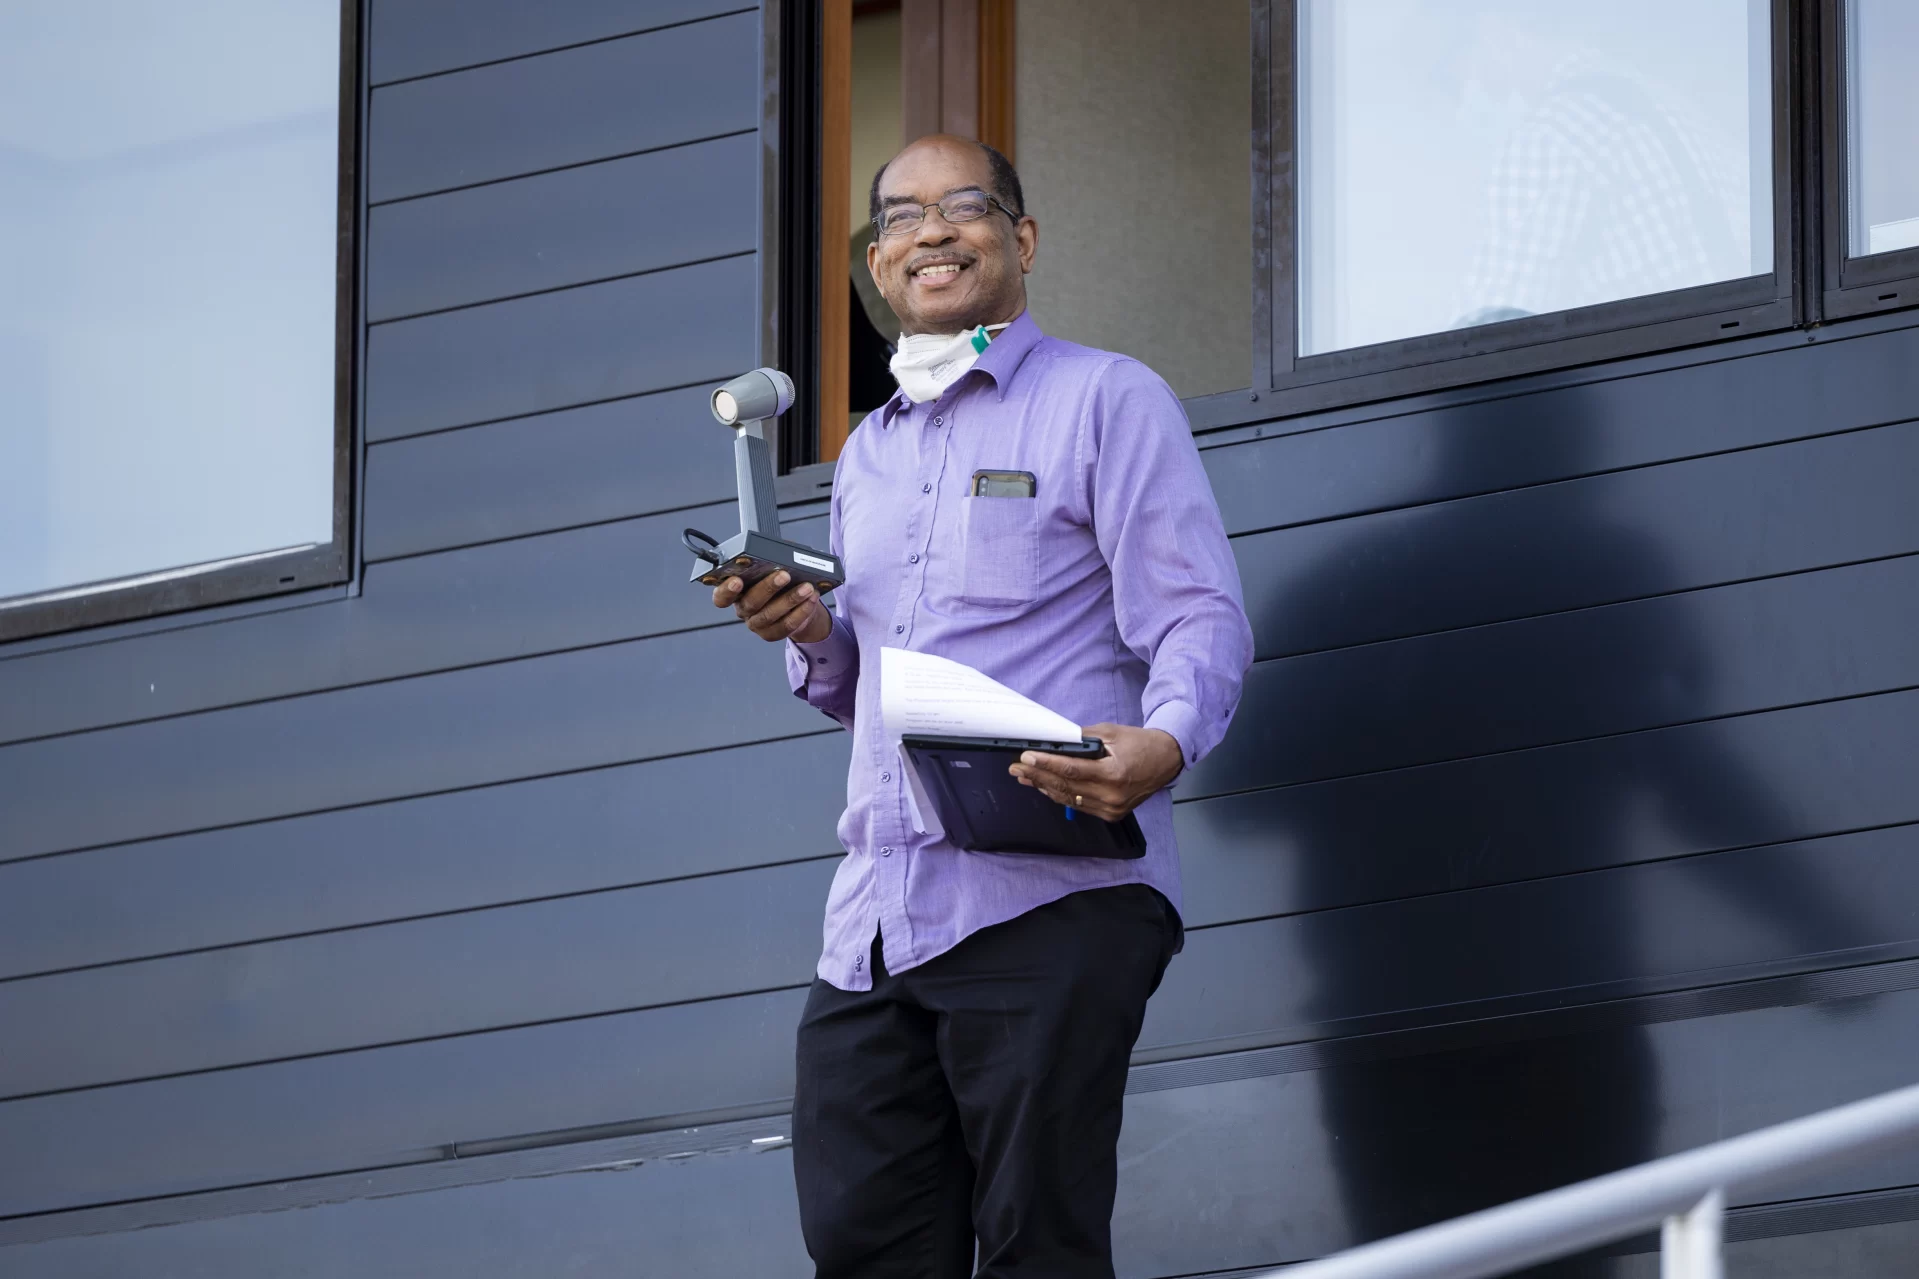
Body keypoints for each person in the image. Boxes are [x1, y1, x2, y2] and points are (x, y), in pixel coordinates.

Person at [712, 134, 1253, 1278]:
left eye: (964, 205)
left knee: (1036, 1244)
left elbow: (1198, 612)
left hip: (1050, 891)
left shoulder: (1106, 398)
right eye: (899, 217)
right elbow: (862, 682)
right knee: (862, 1246)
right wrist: (808, 629)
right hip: (874, 921)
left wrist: (1161, 743)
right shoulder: (867, 454)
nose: (930, 232)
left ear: (1023, 237)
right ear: (875, 259)